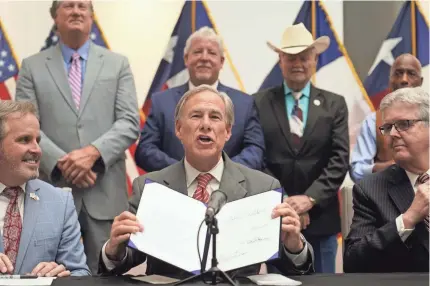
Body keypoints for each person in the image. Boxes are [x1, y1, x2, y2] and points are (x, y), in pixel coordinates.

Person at [99, 85, 314, 277]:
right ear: (178, 129)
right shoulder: (148, 188)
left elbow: (295, 268)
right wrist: (113, 250)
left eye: (215, 117)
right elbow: (126, 260)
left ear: (228, 131)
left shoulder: (264, 188)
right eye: (195, 116)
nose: (205, 125)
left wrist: (294, 246)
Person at [14, 1, 140, 273]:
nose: (76, 11)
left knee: (111, 272)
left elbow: (130, 122)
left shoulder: (118, 64)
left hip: (105, 192)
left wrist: (92, 153)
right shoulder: (31, 66)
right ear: (54, 17)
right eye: (69, 5)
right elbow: (23, 125)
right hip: (49, 190)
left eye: (83, 5)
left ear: (92, 17)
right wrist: (63, 163)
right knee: (46, 272)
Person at [253, 23, 349, 273]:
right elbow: (256, 157)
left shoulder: (335, 104)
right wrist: (286, 202)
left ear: (315, 59)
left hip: (321, 219)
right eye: (291, 57)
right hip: (276, 218)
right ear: (280, 59)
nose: (298, 63)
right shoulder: (258, 102)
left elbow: (339, 159)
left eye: (304, 57)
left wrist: (309, 200)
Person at [135, 27, 265, 172]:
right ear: (186, 59)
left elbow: (255, 151)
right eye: (197, 52)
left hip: (231, 191)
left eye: (211, 53)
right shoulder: (162, 101)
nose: (204, 57)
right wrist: (184, 172)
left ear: (221, 61)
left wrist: (222, 172)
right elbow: (145, 150)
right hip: (172, 189)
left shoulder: (244, 104)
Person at [344, 87, 429, 273]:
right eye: (388, 127)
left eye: (404, 124)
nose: (393, 134)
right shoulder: (371, 188)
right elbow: (353, 261)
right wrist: (407, 220)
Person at [0, 101, 90, 276]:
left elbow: (80, 273)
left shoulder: (60, 202)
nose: (37, 150)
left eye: (37, 140)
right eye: (24, 140)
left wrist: (62, 277)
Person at [350, 54, 423, 182]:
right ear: (390, 80)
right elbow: (357, 170)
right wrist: (391, 168)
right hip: (387, 195)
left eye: (411, 73)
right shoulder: (373, 122)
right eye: (398, 73)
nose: (404, 79)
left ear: (420, 81)